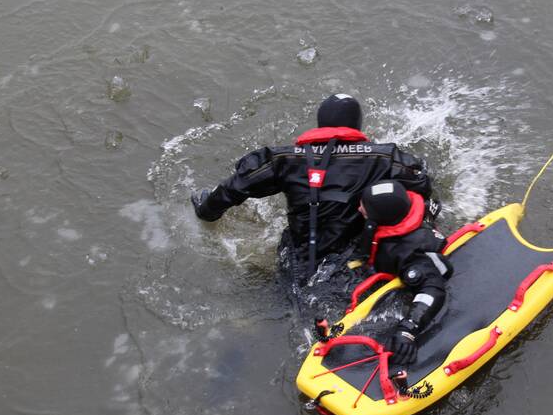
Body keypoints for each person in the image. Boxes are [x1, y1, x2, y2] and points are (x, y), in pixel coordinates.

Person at [190, 94, 432, 278]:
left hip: (298, 260)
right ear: (356, 125)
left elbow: (234, 187)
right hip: (357, 257)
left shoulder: (283, 159)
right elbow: (422, 183)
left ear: (320, 122)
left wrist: (206, 209)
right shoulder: (385, 157)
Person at [354, 179, 453, 365]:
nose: (359, 209)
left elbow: (432, 290)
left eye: (364, 208)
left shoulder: (405, 252)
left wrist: (407, 329)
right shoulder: (415, 205)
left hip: (415, 264)